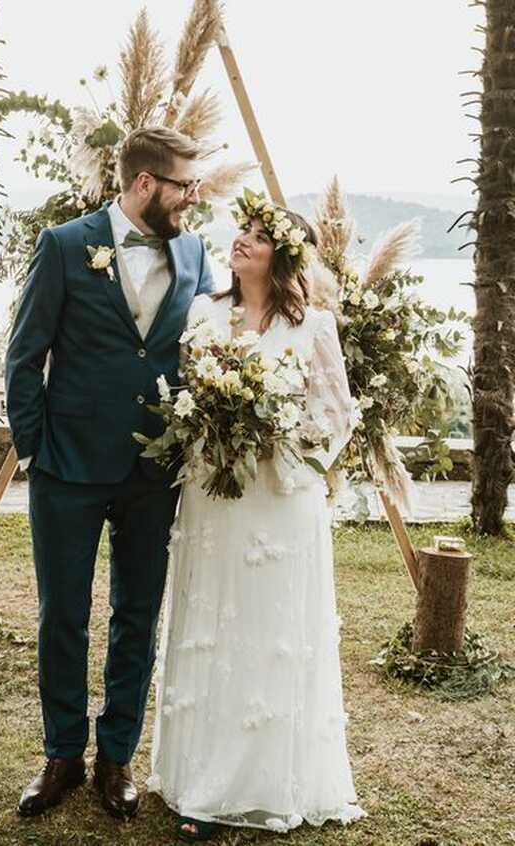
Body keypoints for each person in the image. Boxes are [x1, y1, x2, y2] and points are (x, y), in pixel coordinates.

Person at [4, 126, 214, 820]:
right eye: (184, 183)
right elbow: (24, 354)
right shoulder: (64, 246)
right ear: (145, 184)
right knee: (62, 614)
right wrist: (34, 450)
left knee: (137, 615)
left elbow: (215, 343)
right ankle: (61, 754)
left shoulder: (194, 251)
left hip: (154, 469)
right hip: (67, 467)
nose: (193, 195)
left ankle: (115, 757)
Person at [148, 205, 366, 840]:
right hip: (215, 494)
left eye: (261, 235)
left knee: (270, 631)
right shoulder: (204, 314)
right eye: (243, 231)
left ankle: (268, 782)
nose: (242, 239)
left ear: (286, 255)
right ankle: (203, 783)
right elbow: (185, 394)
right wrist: (211, 425)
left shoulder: (316, 327)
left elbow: (336, 415)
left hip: (279, 497)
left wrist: (280, 442)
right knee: (214, 627)